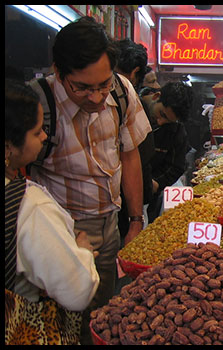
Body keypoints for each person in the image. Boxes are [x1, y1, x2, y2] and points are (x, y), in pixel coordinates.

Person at [27, 17, 151, 344]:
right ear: (58, 71)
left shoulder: (122, 92)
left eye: (102, 85)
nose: (96, 97)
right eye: (82, 87)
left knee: (102, 315)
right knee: (56, 322)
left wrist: (135, 221)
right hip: (57, 233)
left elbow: (129, 155)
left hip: (109, 225)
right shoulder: (39, 104)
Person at [5, 79, 99, 318]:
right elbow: (77, 291)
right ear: (8, 147)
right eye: (37, 132)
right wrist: (82, 252)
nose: (45, 136)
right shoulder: (28, 206)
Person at [114, 38, 156, 241]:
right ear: (135, 72)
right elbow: (142, 153)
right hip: (122, 201)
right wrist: (136, 218)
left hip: (120, 203)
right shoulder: (127, 94)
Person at [141, 82, 193, 223]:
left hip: (148, 192)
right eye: (161, 114)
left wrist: (156, 183)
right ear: (157, 96)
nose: (161, 122)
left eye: (168, 120)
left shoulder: (176, 131)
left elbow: (176, 166)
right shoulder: (133, 110)